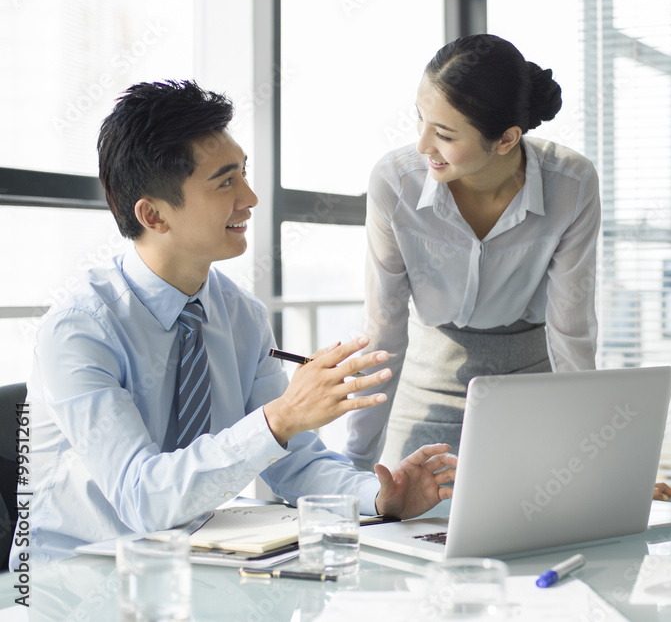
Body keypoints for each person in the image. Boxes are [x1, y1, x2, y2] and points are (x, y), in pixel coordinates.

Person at [12, 80, 457, 568]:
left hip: (195, 565)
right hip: (76, 580)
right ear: (153, 214)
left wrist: (380, 496)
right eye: (225, 182)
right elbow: (142, 498)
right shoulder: (80, 330)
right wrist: (281, 417)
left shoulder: (241, 315)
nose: (250, 197)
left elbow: (298, 464)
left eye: (243, 173)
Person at [341, 34, 601, 472]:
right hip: (428, 376)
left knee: (534, 512)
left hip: (531, 374)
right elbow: (384, 326)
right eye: (420, 120)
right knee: (415, 522)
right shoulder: (395, 183)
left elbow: (570, 332)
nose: (423, 145)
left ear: (505, 139)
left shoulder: (571, 184)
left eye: (443, 133)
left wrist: (595, 456)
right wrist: (353, 467)